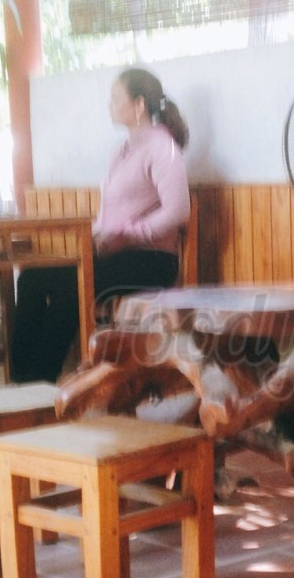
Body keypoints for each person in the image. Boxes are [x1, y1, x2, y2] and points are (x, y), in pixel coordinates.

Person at [10, 67, 190, 384]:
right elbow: (112, 213)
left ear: (139, 105)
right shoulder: (121, 151)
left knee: (70, 288)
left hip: (151, 259)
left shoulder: (163, 148)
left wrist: (128, 236)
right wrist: (97, 236)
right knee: (31, 278)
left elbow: (179, 210)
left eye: (116, 98)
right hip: (114, 253)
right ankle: (19, 382)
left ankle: (40, 382)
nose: (109, 104)